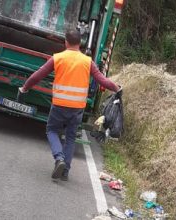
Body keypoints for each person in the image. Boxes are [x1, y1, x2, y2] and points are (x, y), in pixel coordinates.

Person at [19, 30, 120, 181]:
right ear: (80, 44)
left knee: (52, 130)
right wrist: (117, 89)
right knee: (71, 137)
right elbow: (102, 80)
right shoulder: (87, 61)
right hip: (77, 108)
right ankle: (65, 170)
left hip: (59, 105)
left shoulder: (58, 58)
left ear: (65, 42)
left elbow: (38, 75)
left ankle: (59, 158)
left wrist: (24, 88)